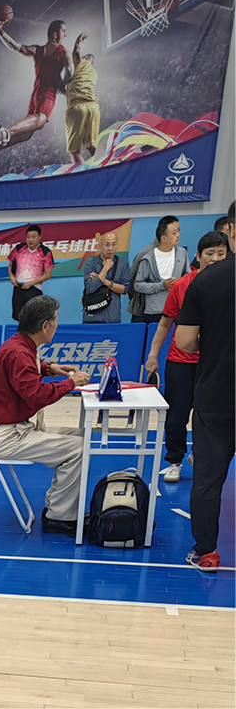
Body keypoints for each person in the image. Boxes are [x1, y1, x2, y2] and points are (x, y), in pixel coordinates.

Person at [0, 296, 92, 536]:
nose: (57, 326)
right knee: (78, 449)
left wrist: (50, 368)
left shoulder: (19, 346)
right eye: (56, 321)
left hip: (13, 429)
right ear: (45, 326)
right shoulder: (19, 353)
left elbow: (28, 368)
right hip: (7, 438)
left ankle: (57, 508)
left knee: (82, 437)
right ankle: (59, 517)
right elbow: (37, 396)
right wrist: (70, 383)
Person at [174, 201, 235, 573]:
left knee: (208, 480)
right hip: (215, 397)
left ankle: (207, 552)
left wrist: (213, 342)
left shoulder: (206, 280)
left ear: (231, 229)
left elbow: (184, 341)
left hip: (216, 396)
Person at [144, 231, 229, 484]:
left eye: (221, 253)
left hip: (213, 364)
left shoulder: (230, 285)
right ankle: (174, 461)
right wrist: (153, 355)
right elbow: (165, 323)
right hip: (180, 362)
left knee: (209, 416)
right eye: (210, 253)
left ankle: (200, 456)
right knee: (177, 416)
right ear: (198, 256)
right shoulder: (182, 286)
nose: (215, 259)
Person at [0, 19, 72, 172]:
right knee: (41, 120)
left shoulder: (37, 50)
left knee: (27, 134)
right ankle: (3, 132)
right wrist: (63, 84)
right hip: (48, 92)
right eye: (64, 31)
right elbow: (70, 70)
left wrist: (0, 32)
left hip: (35, 94)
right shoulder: (63, 52)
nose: (65, 34)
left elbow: (15, 46)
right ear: (55, 34)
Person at [132, 216, 189, 324]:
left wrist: (180, 284)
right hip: (154, 311)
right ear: (164, 238)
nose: (178, 235)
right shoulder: (147, 258)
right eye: (174, 233)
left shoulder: (182, 253)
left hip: (177, 309)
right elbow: (137, 285)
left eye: (178, 231)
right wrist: (161, 285)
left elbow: (188, 276)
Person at [64, 33, 100, 164]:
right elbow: (79, 90)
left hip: (77, 109)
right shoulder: (93, 74)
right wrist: (64, 90)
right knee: (92, 146)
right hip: (93, 108)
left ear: (86, 58)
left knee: (74, 150)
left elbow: (76, 51)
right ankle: (103, 167)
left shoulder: (82, 64)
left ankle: (83, 173)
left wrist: (80, 39)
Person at [81, 231, 130, 323]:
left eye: (114, 244)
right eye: (107, 245)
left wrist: (103, 281)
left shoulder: (123, 264)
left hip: (113, 319)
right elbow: (90, 288)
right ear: (100, 247)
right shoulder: (90, 264)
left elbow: (125, 289)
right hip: (93, 318)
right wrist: (105, 268)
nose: (110, 248)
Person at [8, 225, 53, 322]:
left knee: (33, 318)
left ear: (39, 237)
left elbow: (48, 274)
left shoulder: (45, 252)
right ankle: (21, 332)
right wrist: (12, 277)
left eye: (33, 237)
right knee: (19, 317)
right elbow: (10, 265)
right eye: (28, 237)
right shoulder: (18, 248)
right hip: (18, 288)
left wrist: (31, 283)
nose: (30, 239)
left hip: (34, 288)